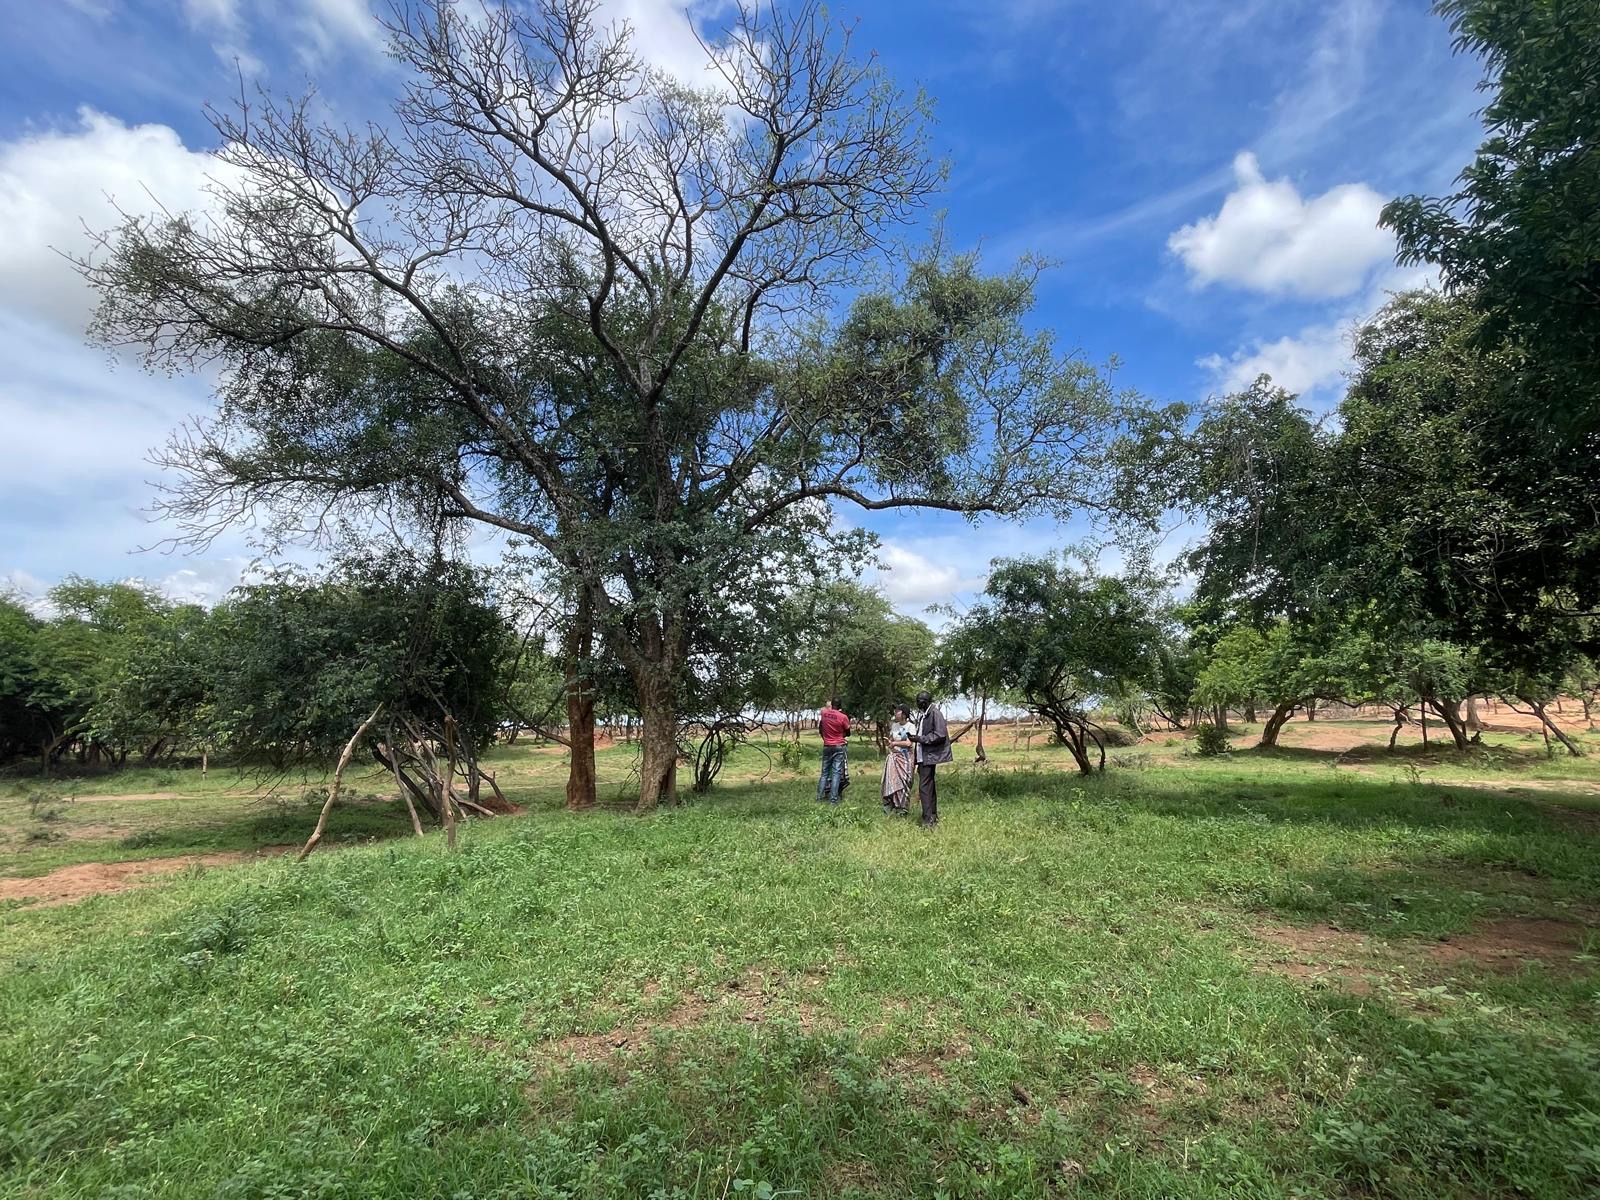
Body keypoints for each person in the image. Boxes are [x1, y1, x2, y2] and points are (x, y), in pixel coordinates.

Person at [909, 690, 951, 826]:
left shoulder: (934, 713)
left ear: (925, 701)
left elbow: (940, 735)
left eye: (919, 701)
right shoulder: (924, 715)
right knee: (929, 787)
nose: (917, 703)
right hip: (924, 757)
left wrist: (920, 739)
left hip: (929, 757)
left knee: (924, 788)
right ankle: (932, 817)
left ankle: (928, 821)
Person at [881, 704, 914, 815]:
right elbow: (892, 740)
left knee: (904, 782)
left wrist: (895, 743)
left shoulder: (911, 727)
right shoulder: (894, 726)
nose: (895, 713)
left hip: (906, 759)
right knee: (891, 780)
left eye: (897, 712)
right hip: (894, 757)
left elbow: (909, 743)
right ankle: (890, 804)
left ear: (904, 714)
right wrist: (889, 743)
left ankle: (902, 808)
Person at [816, 697, 850, 804]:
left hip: (827, 746)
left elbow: (821, 728)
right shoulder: (843, 717)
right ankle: (833, 799)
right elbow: (848, 732)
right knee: (836, 773)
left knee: (824, 773)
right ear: (840, 706)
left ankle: (819, 797)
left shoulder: (824, 714)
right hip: (838, 746)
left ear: (831, 704)